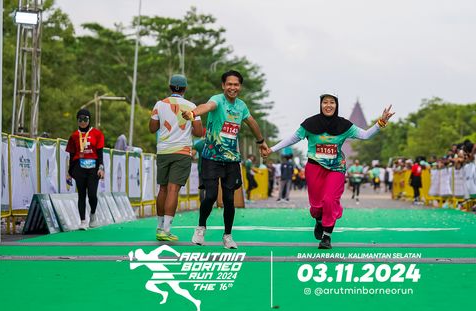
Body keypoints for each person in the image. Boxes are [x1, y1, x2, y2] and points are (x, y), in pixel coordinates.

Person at [267, 93, 394, 249]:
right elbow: (293, 138)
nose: (328, 105)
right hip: (314, 168)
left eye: (332, 102)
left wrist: (381, 122)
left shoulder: (344, 126)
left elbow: (365, 135)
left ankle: (327, 236)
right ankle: (319, 220)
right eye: (325, 102)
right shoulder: (310, 124)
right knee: (316, 206)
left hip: (336, 168)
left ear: (336, 105)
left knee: (330, 200)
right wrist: (272, 149)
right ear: (321, 105)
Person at [182, 70, 269, 249]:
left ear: (240, 87)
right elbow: (206, 107)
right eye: (229, 84)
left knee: (229, 200)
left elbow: (252, 122)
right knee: (211, 195)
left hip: (232, 160)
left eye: (236, 84)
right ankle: (200, 228)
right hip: (211, 158)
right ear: (223, 85)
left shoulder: (241, 106)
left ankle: (227, 236)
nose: (232, 87)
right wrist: (193, 113)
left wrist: (261, 142)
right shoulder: (217, 100)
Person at [149, 74, 204, 242]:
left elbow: (152, 128)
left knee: (163, 189)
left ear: (170, 87)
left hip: (163, 151)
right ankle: (166, 230)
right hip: (182, 152)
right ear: (185, 89)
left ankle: (159, 228)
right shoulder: (192, 107)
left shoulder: (160, 104)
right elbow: (199, 132)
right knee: (173, 190)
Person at [65, 108, 105, 230]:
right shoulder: (74, 136)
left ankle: (92, 214)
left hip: (93, 168)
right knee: (81, 195)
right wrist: (69, 172)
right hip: (79, 167)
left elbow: (100, 153)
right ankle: (83, 221)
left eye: (85, 119)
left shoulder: (97, 134)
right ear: (77, 120)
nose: (83, 122)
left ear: (89, 120)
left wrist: (101, 168)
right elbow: (72, 155)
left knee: (92, 195)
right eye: (80, 119)